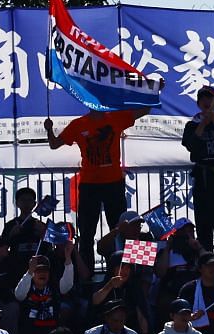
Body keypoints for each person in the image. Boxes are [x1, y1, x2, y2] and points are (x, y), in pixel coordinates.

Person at [45, 108, 148, 272]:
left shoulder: (116, 117)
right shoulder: (78, 124)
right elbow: (54, 144)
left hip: (113, 182)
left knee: (123, 229)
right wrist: (49, 130)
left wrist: (153, 89)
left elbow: (144, 109)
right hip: (89, 185)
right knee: (86, 232)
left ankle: (127, 271)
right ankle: (87, 275)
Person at [181, 86, 214, 251]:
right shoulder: (192, 125)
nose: (206, 102)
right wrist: (203, 123)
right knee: (204, 228)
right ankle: (205, 264)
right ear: (198, 103)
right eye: (203, 99)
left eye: (210, 99)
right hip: (203, 179)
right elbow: (190, 145)